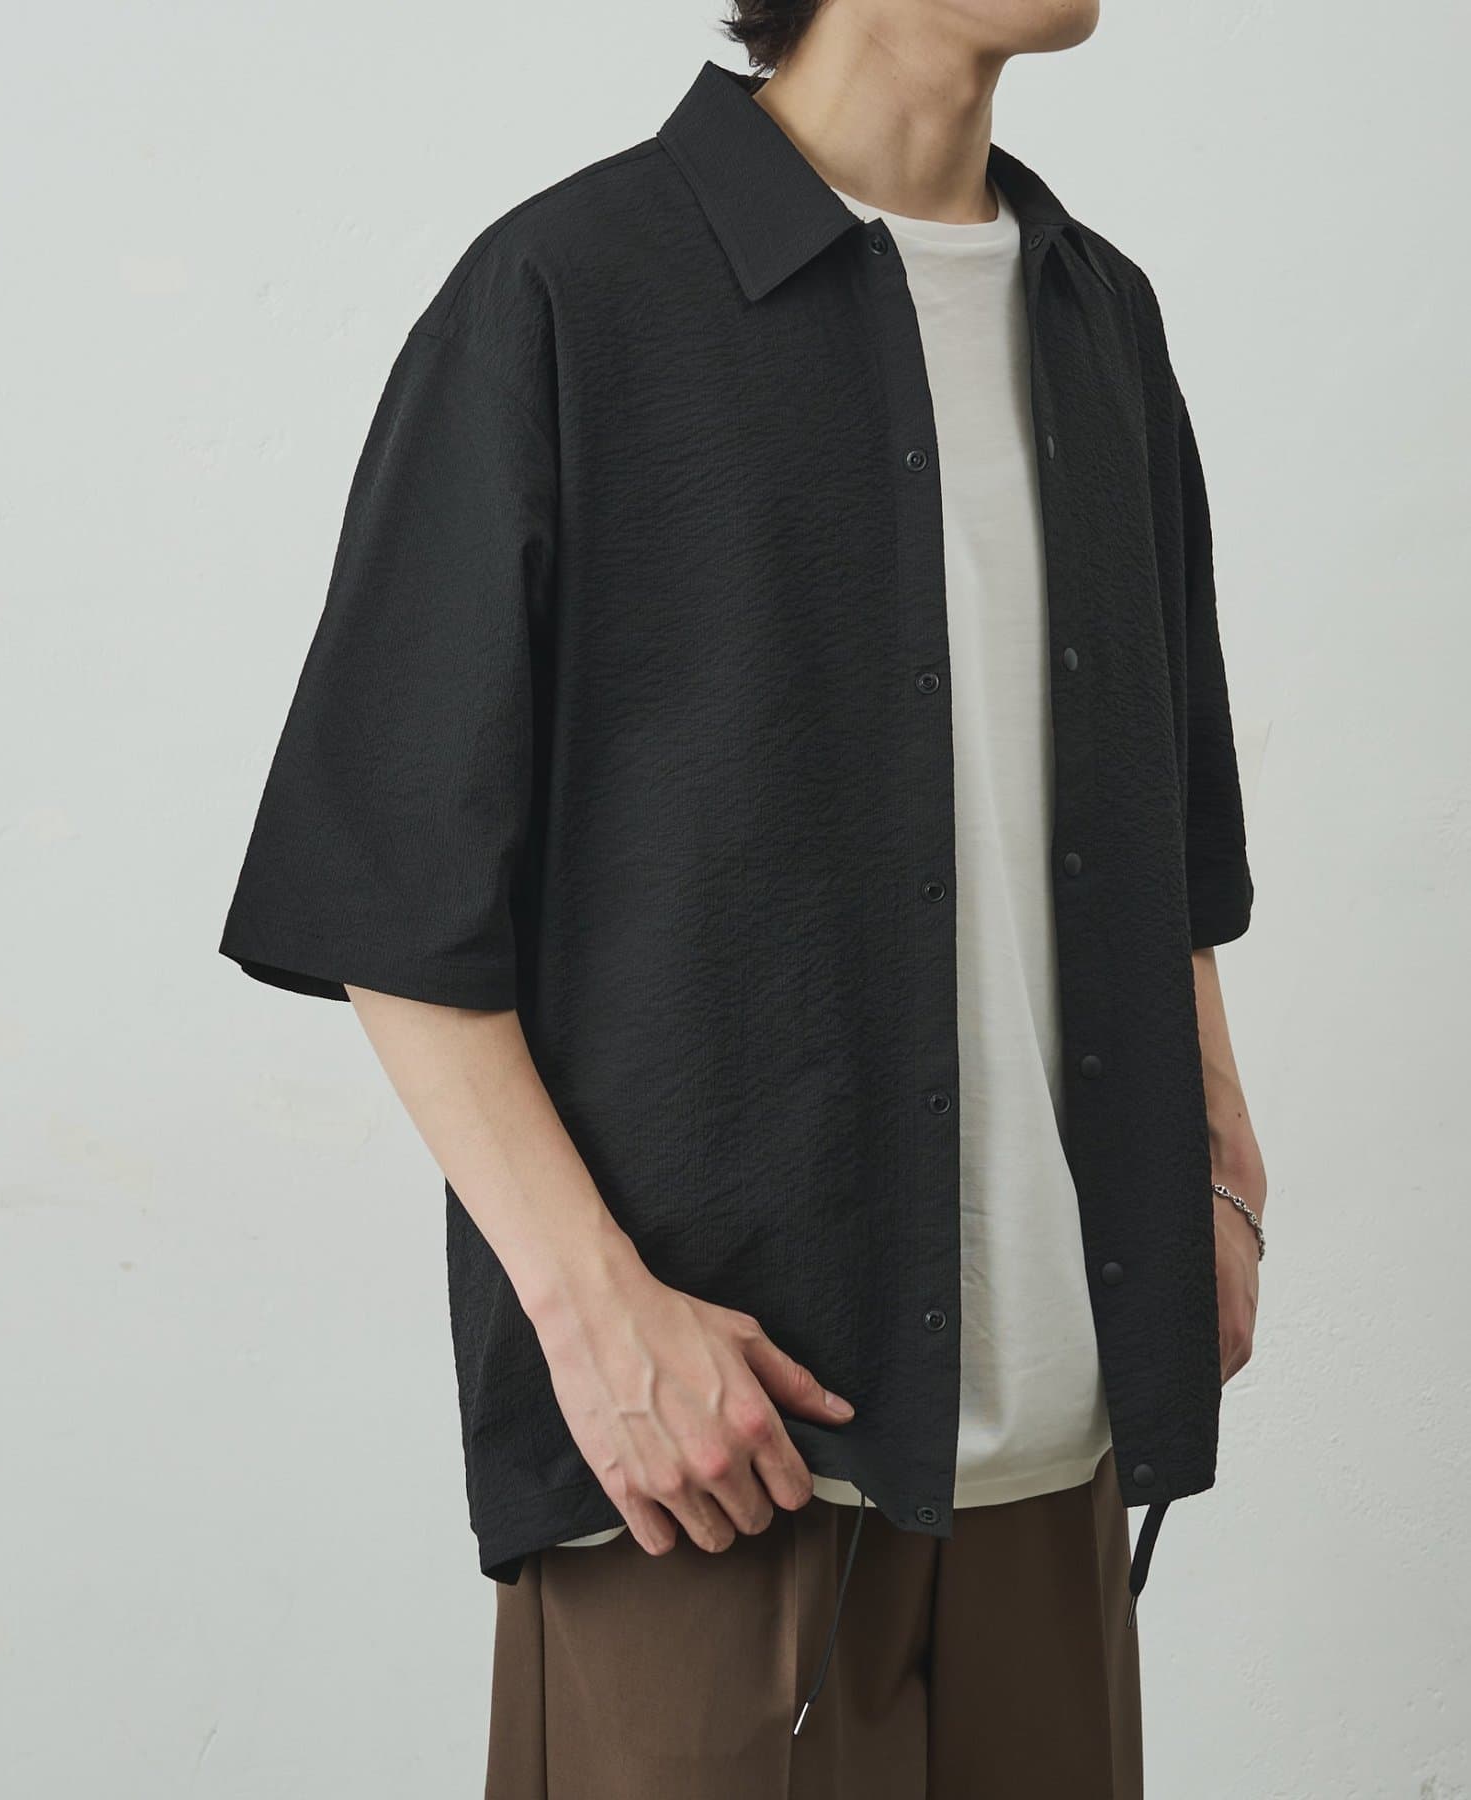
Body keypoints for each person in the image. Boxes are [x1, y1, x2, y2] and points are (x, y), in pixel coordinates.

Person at [219, 2, 1267, 1793]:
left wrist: (1221, 1171)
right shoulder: (567, 293)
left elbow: (1168, 820)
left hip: (1066, 1460)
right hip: (717, 1475)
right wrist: (598, 1322)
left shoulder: (1103, 314)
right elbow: (386, 888)